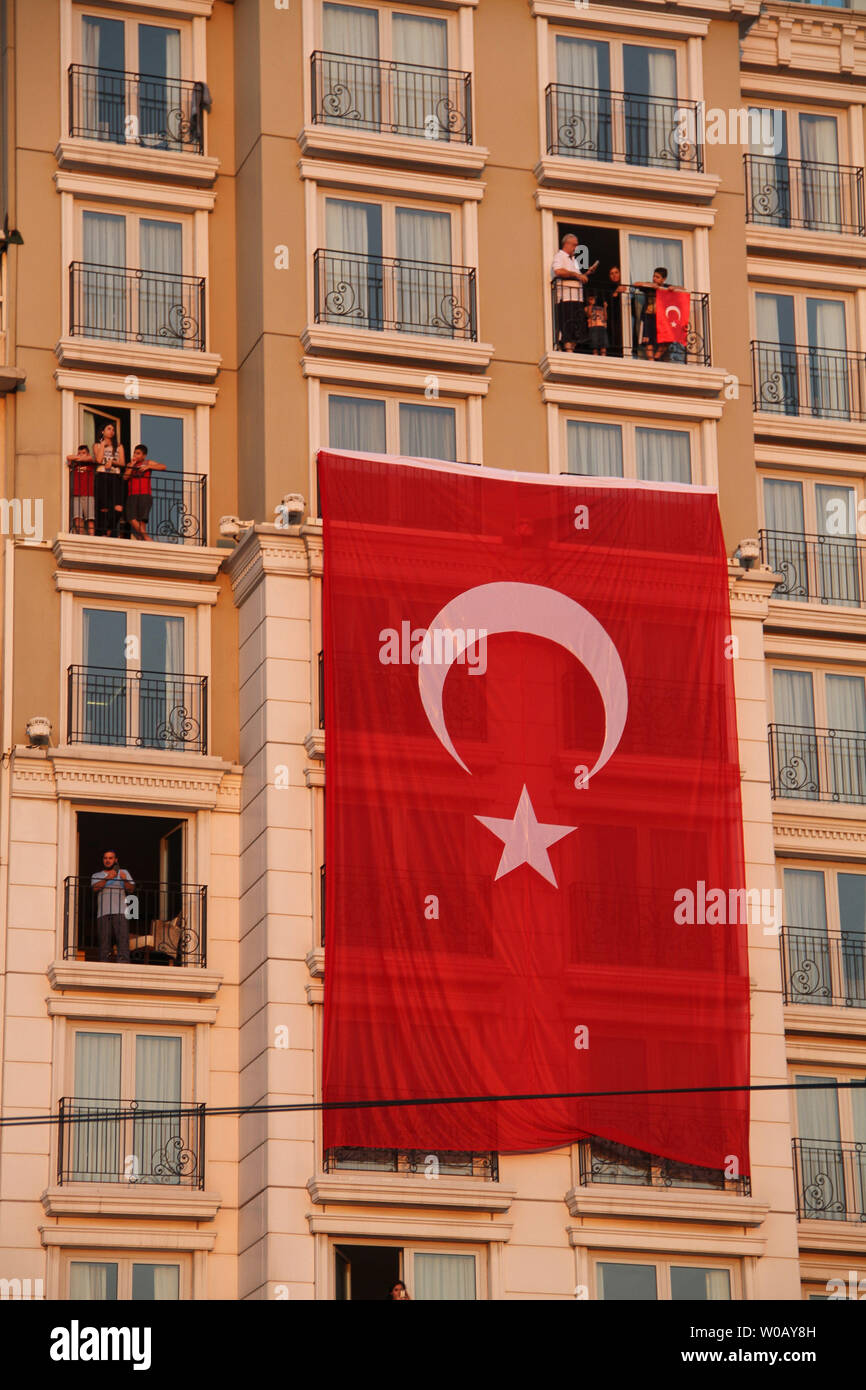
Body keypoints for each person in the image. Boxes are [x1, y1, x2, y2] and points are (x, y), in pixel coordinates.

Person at [551, 233, 598, 352]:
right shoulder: (560, 256)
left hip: (577, 298)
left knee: (576, 328)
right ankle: (568, 351)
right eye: (574, 245)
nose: (576, 248)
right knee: (568, 326)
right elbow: (558, 271)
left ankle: (571, 350)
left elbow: (576, 277)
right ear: (566, 244)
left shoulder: (573, 260)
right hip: (567, 298)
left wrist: (586, 274)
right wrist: (576, 274)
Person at [91, 850, 135, 964]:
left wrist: (124, 879)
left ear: (115, 860)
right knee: (104, 941)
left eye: (110, 858)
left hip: (121, 911)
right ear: (103, 860)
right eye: (105, 858)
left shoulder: (123, 872)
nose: (107, 860)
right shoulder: (97, 875)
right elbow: (95, 888)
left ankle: (124, 963)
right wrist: (108, 878)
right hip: (103, 912)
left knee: (122, 940)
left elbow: (131, 889)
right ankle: (104, 962)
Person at [632, 266, 685, 362]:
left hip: (663, 318)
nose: (654, 279)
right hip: (648, 317)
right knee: (648, 340)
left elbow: (683, 290)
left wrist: (674, 288)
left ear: (663, 279)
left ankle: (656, 357)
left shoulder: (666, 287)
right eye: (654, 276)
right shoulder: (649, 286)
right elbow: (635, 284)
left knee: (669, 338)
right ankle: (651, 361)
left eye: (657, 277)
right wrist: (649, 285)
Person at [124, 445, 167, 541]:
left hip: (145, 494)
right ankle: (147, 538)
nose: (135, 455)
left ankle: (141, 540)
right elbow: (125, 477)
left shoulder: (147, 462)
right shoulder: (130, 465)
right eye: (135, 453)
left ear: (144, 456)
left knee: (142, 520)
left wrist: (149, 466)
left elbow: (163, 466)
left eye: (138, 453)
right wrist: (132, 465)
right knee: (130, 517)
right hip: (132, 495)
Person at [93, 424, 126, 537]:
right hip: (102, 475)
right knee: (104, 507)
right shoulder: (97, 445)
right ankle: (103, 532)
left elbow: (122, 463)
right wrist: (103, 445)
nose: (112, 431)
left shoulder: (119, 446)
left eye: (113, 429)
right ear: (103, 431)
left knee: (118, 507)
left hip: (115, 476)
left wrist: (113, 462)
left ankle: (109, 530)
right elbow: (98, 459)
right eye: (109, 429)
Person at [66, 444, 96, 535]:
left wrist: (79, 458)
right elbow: (68, 457)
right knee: (78, 518)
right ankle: (81, 536)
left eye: (84, 453)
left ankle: (92, 537)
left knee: (90, 518)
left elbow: (90, 458)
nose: (81, 455)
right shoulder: (75, 465)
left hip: (88, 494)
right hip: (77, 494)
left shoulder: (90, 464)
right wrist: (79, 458)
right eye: (79, 453)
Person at [604, 265, 626, 358]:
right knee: (614, 336)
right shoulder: (608, 288)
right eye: (611, 273)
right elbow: (607, 303)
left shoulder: (626, 284)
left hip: (625, 315)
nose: (614, 275)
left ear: (621, 273)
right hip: (614, 317)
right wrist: (616, 292)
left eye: (616, 272)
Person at [585, 290, 608, 356]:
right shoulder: (587, 308)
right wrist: (591, 305)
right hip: (593, 327)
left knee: (603, 345)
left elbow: (606, 318)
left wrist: (605, 308)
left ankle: (604, 357)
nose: (592, 300)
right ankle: (595, 356)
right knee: (594, 345)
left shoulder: (600, 308)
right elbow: (588, 315)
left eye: (593, 299)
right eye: (590, 299)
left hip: (602, 327)